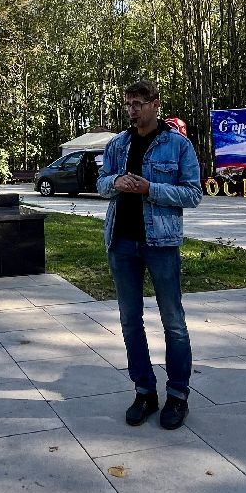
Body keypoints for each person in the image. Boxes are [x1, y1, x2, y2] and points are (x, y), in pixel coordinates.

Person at [98, 80, 202, 430]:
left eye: (139, 102)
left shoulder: (178, 145)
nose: (132, 109)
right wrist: (114, 183)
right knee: (130, 322)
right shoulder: (117, 143)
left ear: (156, 104)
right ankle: (144, 392)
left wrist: (149, 188)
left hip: (161, 243)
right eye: (128, 103)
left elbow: (192, 194)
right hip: (122, 243)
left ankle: (178, 396)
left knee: (173, 321)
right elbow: (99, 182)